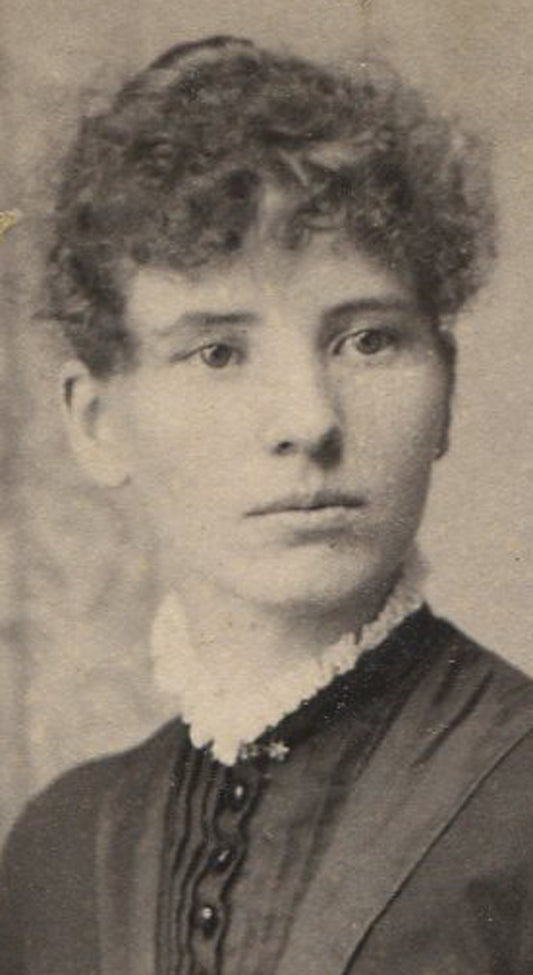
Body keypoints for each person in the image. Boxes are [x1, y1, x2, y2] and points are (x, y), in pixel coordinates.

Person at [1, 33, 532, 975]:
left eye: (367, 340)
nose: (307, 420)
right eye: (217, 352)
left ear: (445, 387)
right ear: (96, 422)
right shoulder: (56, 851)